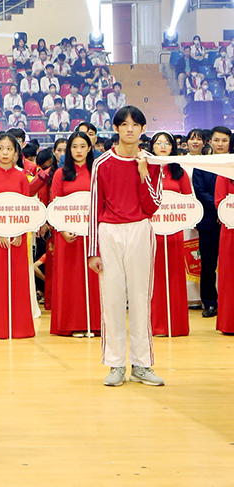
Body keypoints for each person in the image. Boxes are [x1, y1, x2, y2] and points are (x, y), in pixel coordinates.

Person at [87, 105, 164, 387]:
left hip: (140, 230)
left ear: (143, 130)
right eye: (124, 124)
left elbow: (153, 205)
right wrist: (93, 250)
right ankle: (116, 364)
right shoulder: (101, 163)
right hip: (109, 233)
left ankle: (142, 364)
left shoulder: (152, 163)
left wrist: (143, 173)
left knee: (142, 297)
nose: (130, 128)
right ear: (116, 128)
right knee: (112, 299)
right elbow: (94, 208)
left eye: (135, 124)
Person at [0, 133, 35, 339]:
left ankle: (20, 327)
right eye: (1, 148)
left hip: (17, 237)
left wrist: (20, 232)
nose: (5, 153)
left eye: (9, 149)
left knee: (18, 281)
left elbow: (26, 208)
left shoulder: (22, 177)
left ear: (16, 153)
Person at [49, 132, 100, 337]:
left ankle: (94, 323)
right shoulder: (61, 174)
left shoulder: (98, 172)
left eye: (82, 146)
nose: (78, 151)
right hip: (68, 236)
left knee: (94, 278)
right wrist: (62, 230)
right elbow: (55, 204)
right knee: (70, 280)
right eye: (74, 147)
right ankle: (72, 324)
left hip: (93, 236)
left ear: (89, 149)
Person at [149, 132, 191, 337]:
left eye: (167, 143)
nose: (163, 146)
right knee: (153, 277)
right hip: (151, 232)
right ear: (152, 146)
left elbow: (188, 201)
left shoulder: (179, 172)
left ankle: (177, 324)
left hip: (174, 232)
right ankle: (156, 325)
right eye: (159, 143)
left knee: (174, 275)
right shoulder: (146, 171)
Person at [194, 126, 230, 318]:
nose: (220, 144)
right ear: (210, 142)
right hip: (209, 221)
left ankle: (228, 303)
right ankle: (209, 303)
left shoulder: (232, 163)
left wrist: (227, 210)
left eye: (224, 140)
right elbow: (199, 191)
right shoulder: (202, 164)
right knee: (208, 265)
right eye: (217, 140)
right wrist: (220, 208)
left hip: (231, 223)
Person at [215, 174, 234, 335]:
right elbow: (219, 202)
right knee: (229, 275)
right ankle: (229, 323)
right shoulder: (225, 173)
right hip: (230, 229)